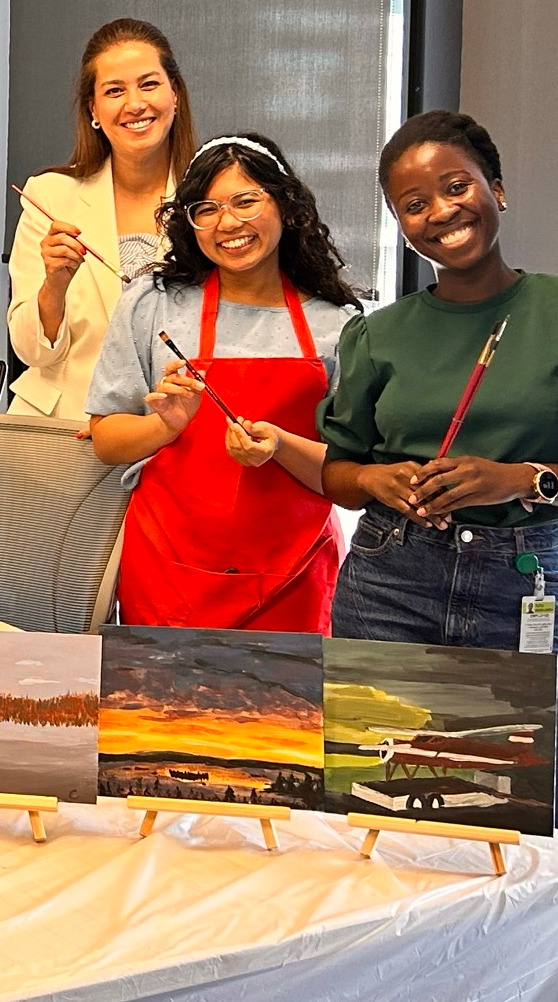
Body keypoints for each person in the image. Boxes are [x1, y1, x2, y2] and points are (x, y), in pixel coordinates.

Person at [321, 110, 558, 831]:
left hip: (521, 585)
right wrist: (378, 483)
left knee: (518, 836)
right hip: (389, 586)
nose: (440, 212)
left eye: (455, 186)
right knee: (374, 823)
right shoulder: (377, 335)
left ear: (496, 190)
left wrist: (521, 479)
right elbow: (337, 471)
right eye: (414, 205)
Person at [86, 134, 364, 633]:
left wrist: (279, 446)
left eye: (246, 200)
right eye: (206, 208)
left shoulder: (337, 324)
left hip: (295, 578)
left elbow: (351, 476)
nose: (228, 223)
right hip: (169, 576)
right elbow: (106, 440)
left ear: (287, 204)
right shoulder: (154, 304)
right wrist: (163, 428)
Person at [8, 19, 197, 419]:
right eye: (114, 91)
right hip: (62, 429)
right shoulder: (50, 196)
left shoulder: (211, 202)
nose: (134, 104)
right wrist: (54, 284)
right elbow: (30, 350)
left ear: (175, 93)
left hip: (169, 432)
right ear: (93, 109)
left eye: (149, 84)